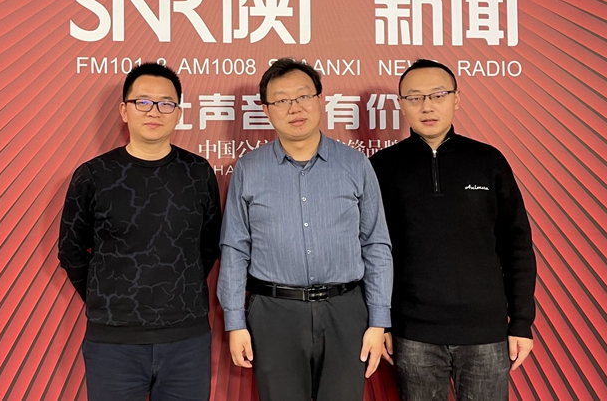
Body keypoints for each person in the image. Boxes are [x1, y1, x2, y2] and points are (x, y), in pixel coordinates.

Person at [217, 57, 393, 401]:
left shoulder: (355, 164)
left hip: (346, 311)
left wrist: (378, 320)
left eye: (303, 96)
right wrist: (235, 322)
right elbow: (235, 248)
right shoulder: (249, 169)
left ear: (320, 100)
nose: (294, 108)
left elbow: (375, 244)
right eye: (281, 100)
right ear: (266, 110)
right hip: (274, 313)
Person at [369, 59, 537, 401]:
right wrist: (381, 321)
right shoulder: (381, 168)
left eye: (438, 95)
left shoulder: (488, 161)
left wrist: (521, 322)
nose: (427, 106)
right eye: (415, 97)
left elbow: (516, 245)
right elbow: (373, 252)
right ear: (401, 104)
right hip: (413, 332)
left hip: (485, 332)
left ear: (456, 99)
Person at [58, 62, 221, 401]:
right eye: (143, 101)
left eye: (166, 103)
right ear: (124, 110)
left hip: (186, 339)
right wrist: (107, 297)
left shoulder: (197, 172)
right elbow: (71, 250)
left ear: (178, 113)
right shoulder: (93, 175)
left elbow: (208, 245)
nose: (154, 111)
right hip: (114, 342)